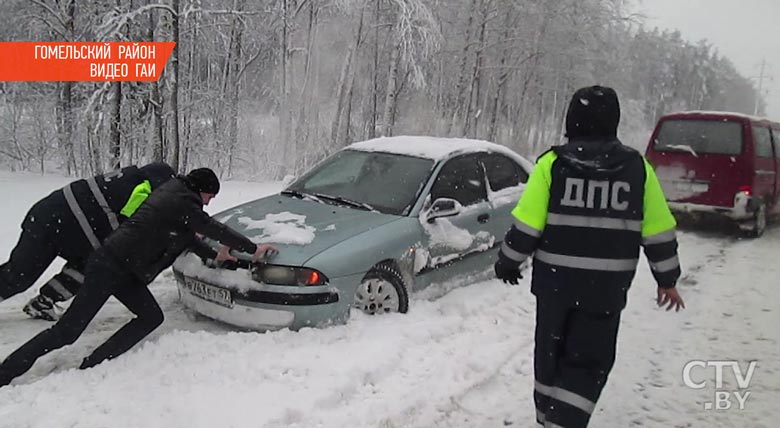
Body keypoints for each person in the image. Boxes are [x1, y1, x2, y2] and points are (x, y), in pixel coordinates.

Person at [494, 86, 685, 428]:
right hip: (605, 292)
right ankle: (564, 421)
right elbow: (658, 231)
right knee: (589, 361)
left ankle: (548, 418)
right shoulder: (637, 169)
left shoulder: (552, 165)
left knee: (550, 355)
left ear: (572, 119)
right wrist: (667, 279)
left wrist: (507, 262)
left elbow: (526, 227)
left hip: (555, 286)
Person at [0, 168, 276, 386]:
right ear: (202, 190)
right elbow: (210, 228)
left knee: (151, 317)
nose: (210, 202)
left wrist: (216, 257)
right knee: (67, 332)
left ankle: (95, 363)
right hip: (106, 267)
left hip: (124, 271)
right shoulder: (179, 200)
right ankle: (6, 372)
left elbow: (187, 238)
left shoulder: (177, 197)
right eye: (211, 196)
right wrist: (253, 249)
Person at [0, 162, 176, 321]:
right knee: (19, 276)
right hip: (55, 224)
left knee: (89, 265)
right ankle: (43, 300)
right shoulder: (142, 190)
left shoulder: (127, 178)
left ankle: (44, 302)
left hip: (58, 219)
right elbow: (127, 225)